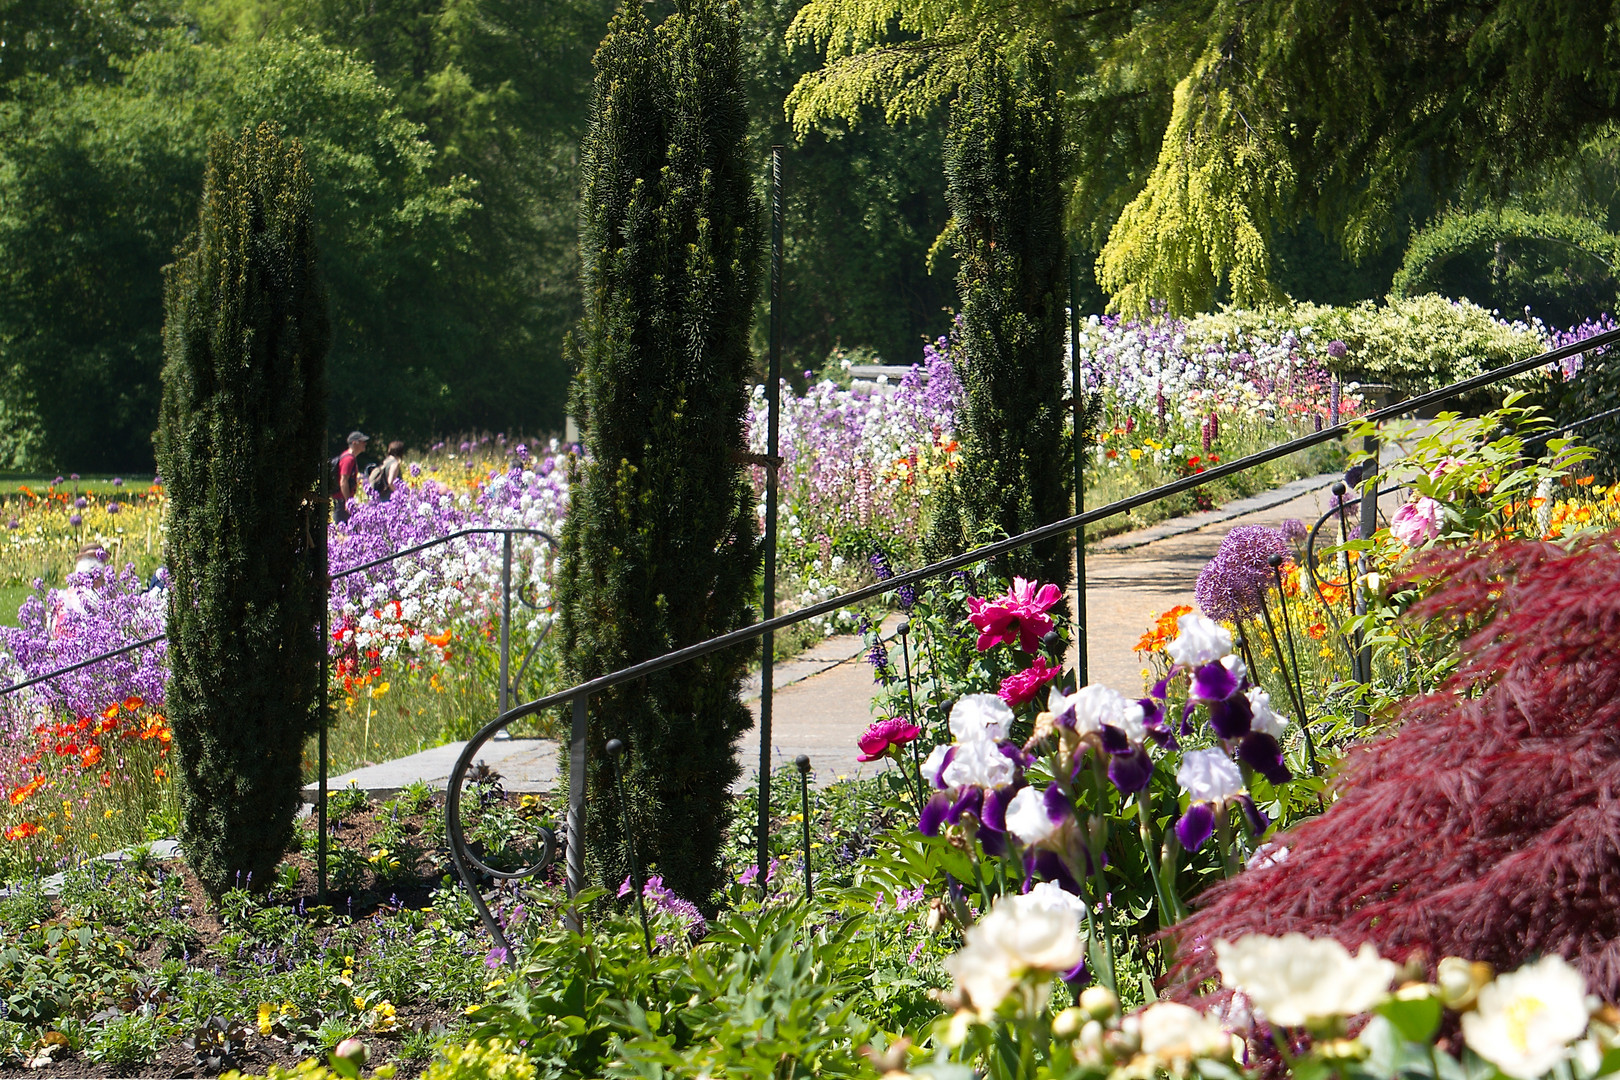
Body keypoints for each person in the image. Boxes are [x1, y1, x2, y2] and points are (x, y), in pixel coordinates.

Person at [334, 430, 368, 523]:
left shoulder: (350, 457)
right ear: (354, 443)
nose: (365, 443)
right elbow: (343, 481)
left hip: (343, 500)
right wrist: (348, 501)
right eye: (362, 441)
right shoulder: (348, 459)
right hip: (341, 501)